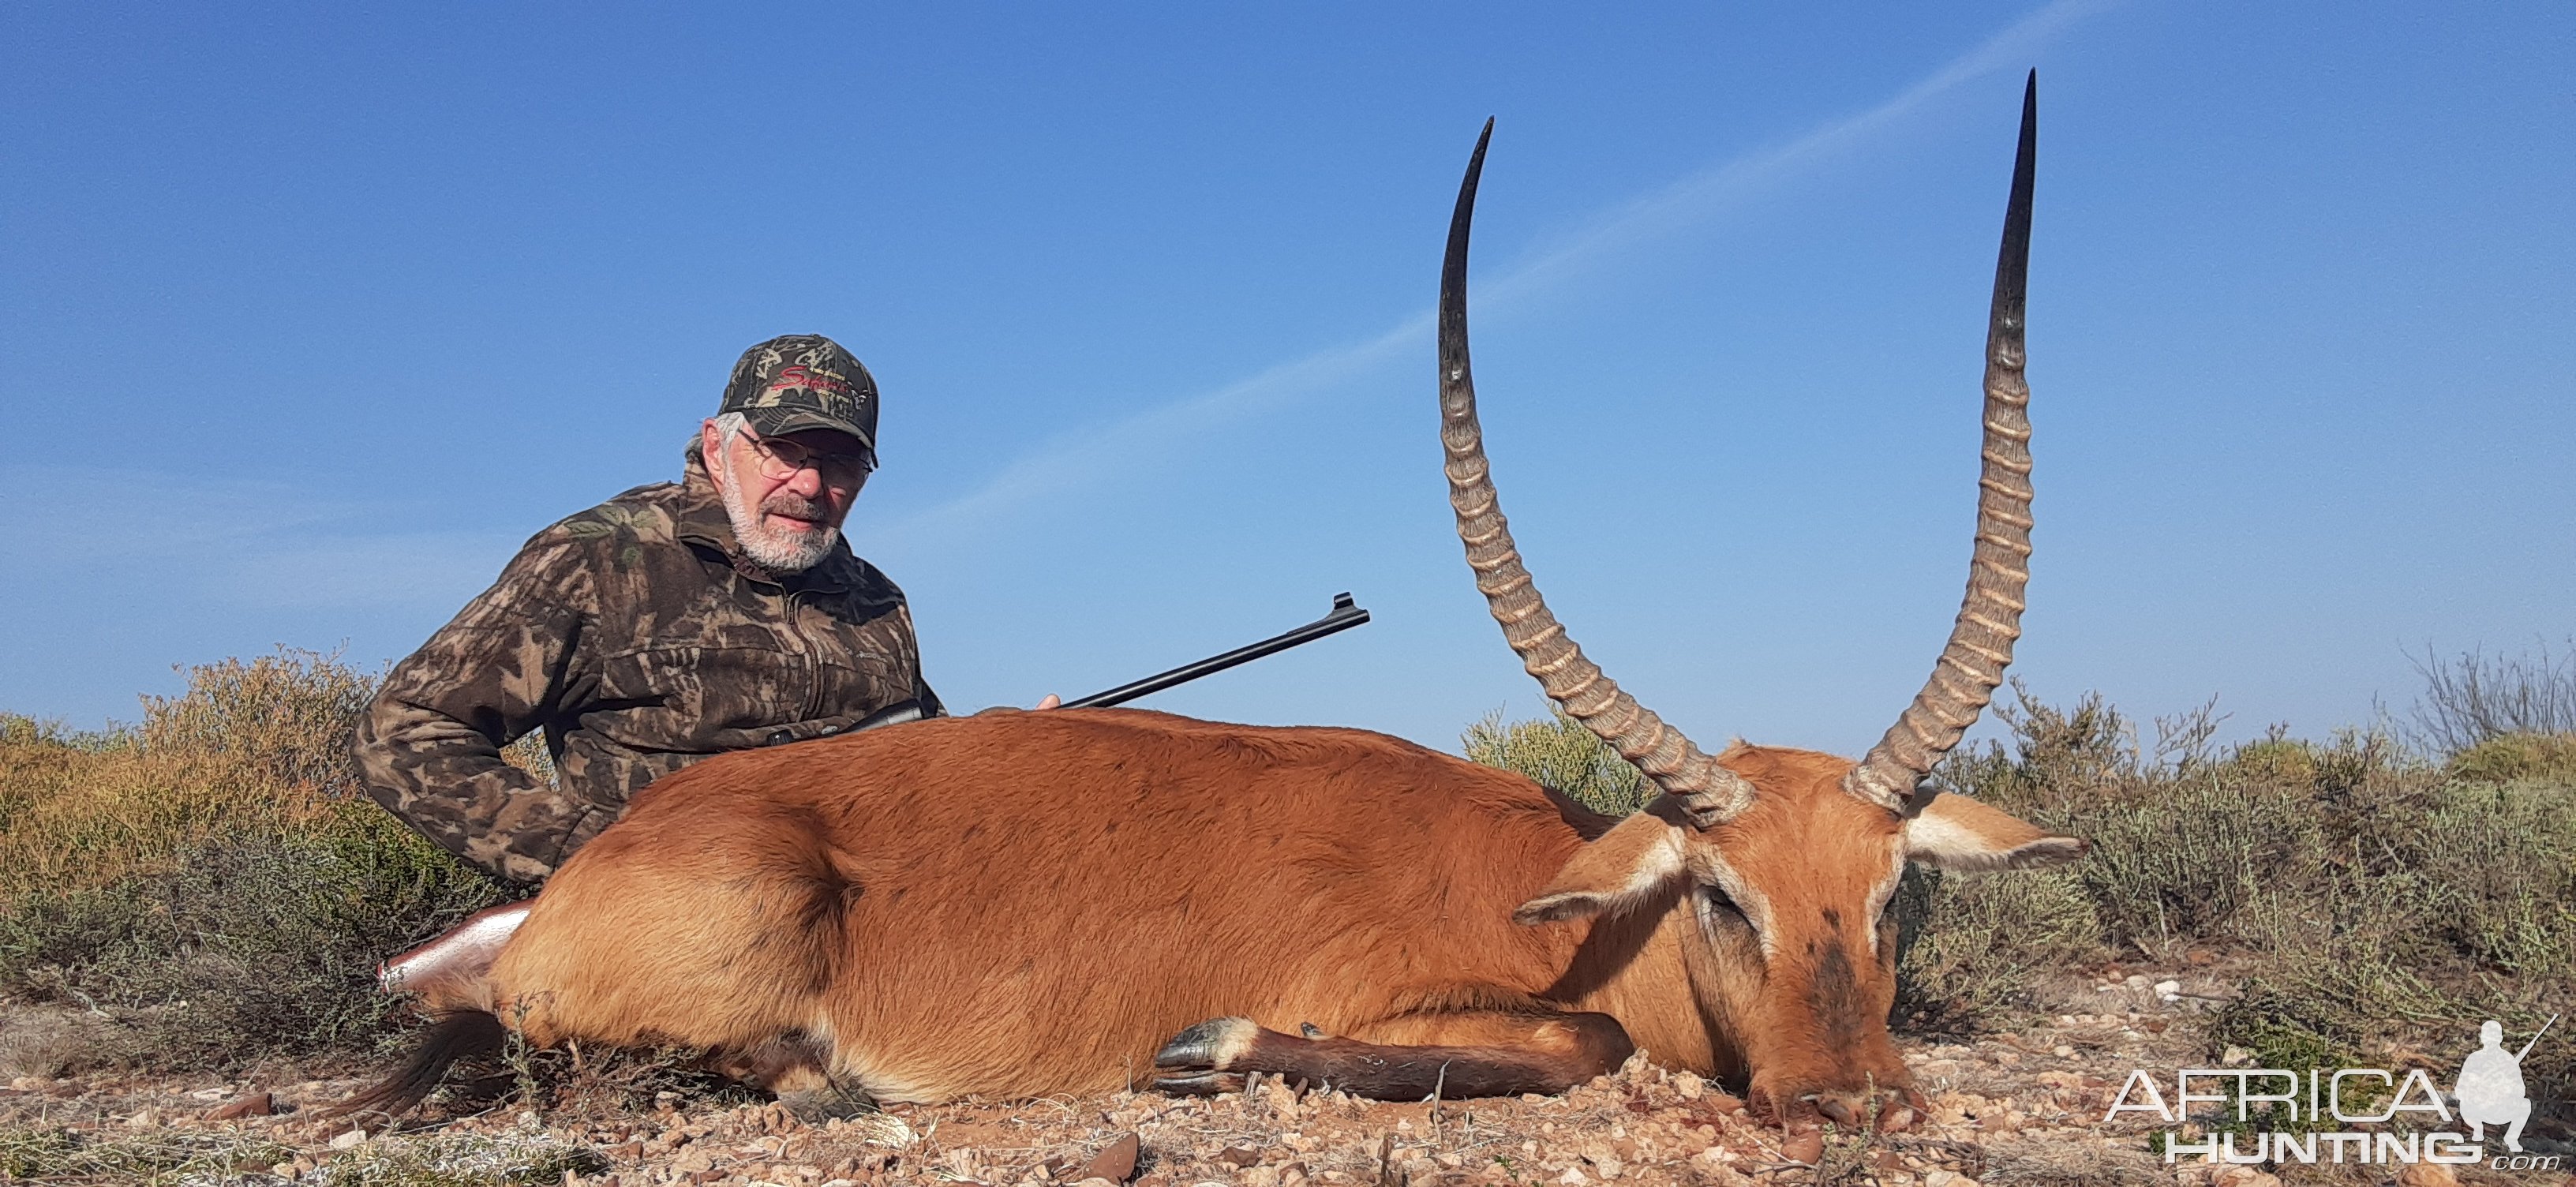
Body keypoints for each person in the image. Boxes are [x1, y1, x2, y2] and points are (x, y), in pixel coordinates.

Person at [356, 334, 1014, 885]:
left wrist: (1008, 751)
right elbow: (405, 732)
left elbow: (920, 758)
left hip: (854, 932)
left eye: (842, 463)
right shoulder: (598, 558)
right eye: (785, 449)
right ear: (715, 446)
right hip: (665, 936)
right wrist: (605, 859)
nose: (811, 485)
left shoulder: (877, 602)